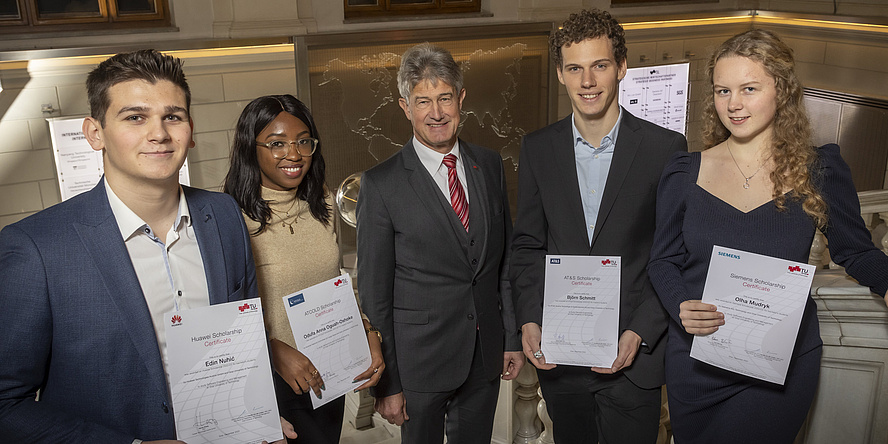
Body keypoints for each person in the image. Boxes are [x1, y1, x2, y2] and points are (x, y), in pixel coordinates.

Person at [0, 50, 296, 443]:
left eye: (172, 116)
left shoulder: (223, 214)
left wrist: (257, 414)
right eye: (135, 117)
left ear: (190, 130)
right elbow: (7, 405)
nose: (159, 133)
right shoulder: (36, 249)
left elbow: (243, 338)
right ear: (95, 133)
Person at [647, 29, 888, 443]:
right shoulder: (683, 172)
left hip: (779, 365)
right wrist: (680, 304)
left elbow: (857, 251)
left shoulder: (820, 170)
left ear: (783, 90)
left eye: (749, 88)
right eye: (723, 90)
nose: (734, 104)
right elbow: (662, 260)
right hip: (697, 363)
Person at [509, 9, 688, 443]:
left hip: (633, 357)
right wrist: (529, 319)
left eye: (599, 65)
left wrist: (642, 330)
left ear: (621, 67)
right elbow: (529, 245)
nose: (587, 81)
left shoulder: (665, 149)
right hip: (562, 356)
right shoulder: (537, 149)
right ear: (561, 74)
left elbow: (673, 254)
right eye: (575, 68)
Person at [356, 43, 524, 444]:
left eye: (445, 98)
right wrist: (387, 382)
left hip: (484, 356)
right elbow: (376, 295)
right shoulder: (381, 185)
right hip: (418, 368)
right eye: (423, 101)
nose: (436, 113)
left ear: (461, 99)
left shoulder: (490, 165)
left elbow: (503, 264)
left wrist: (511, 338)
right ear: (404, 106)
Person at [223, 94, 385, 444]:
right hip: (273, 383)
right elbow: (223, 317)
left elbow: (336, 285)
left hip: (331, 373)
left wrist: (368, 331)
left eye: (302, 142)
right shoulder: (230, 218)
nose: (293, 154)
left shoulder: (322, 202)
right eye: (277, 143)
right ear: (252, 148)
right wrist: (271, 349)